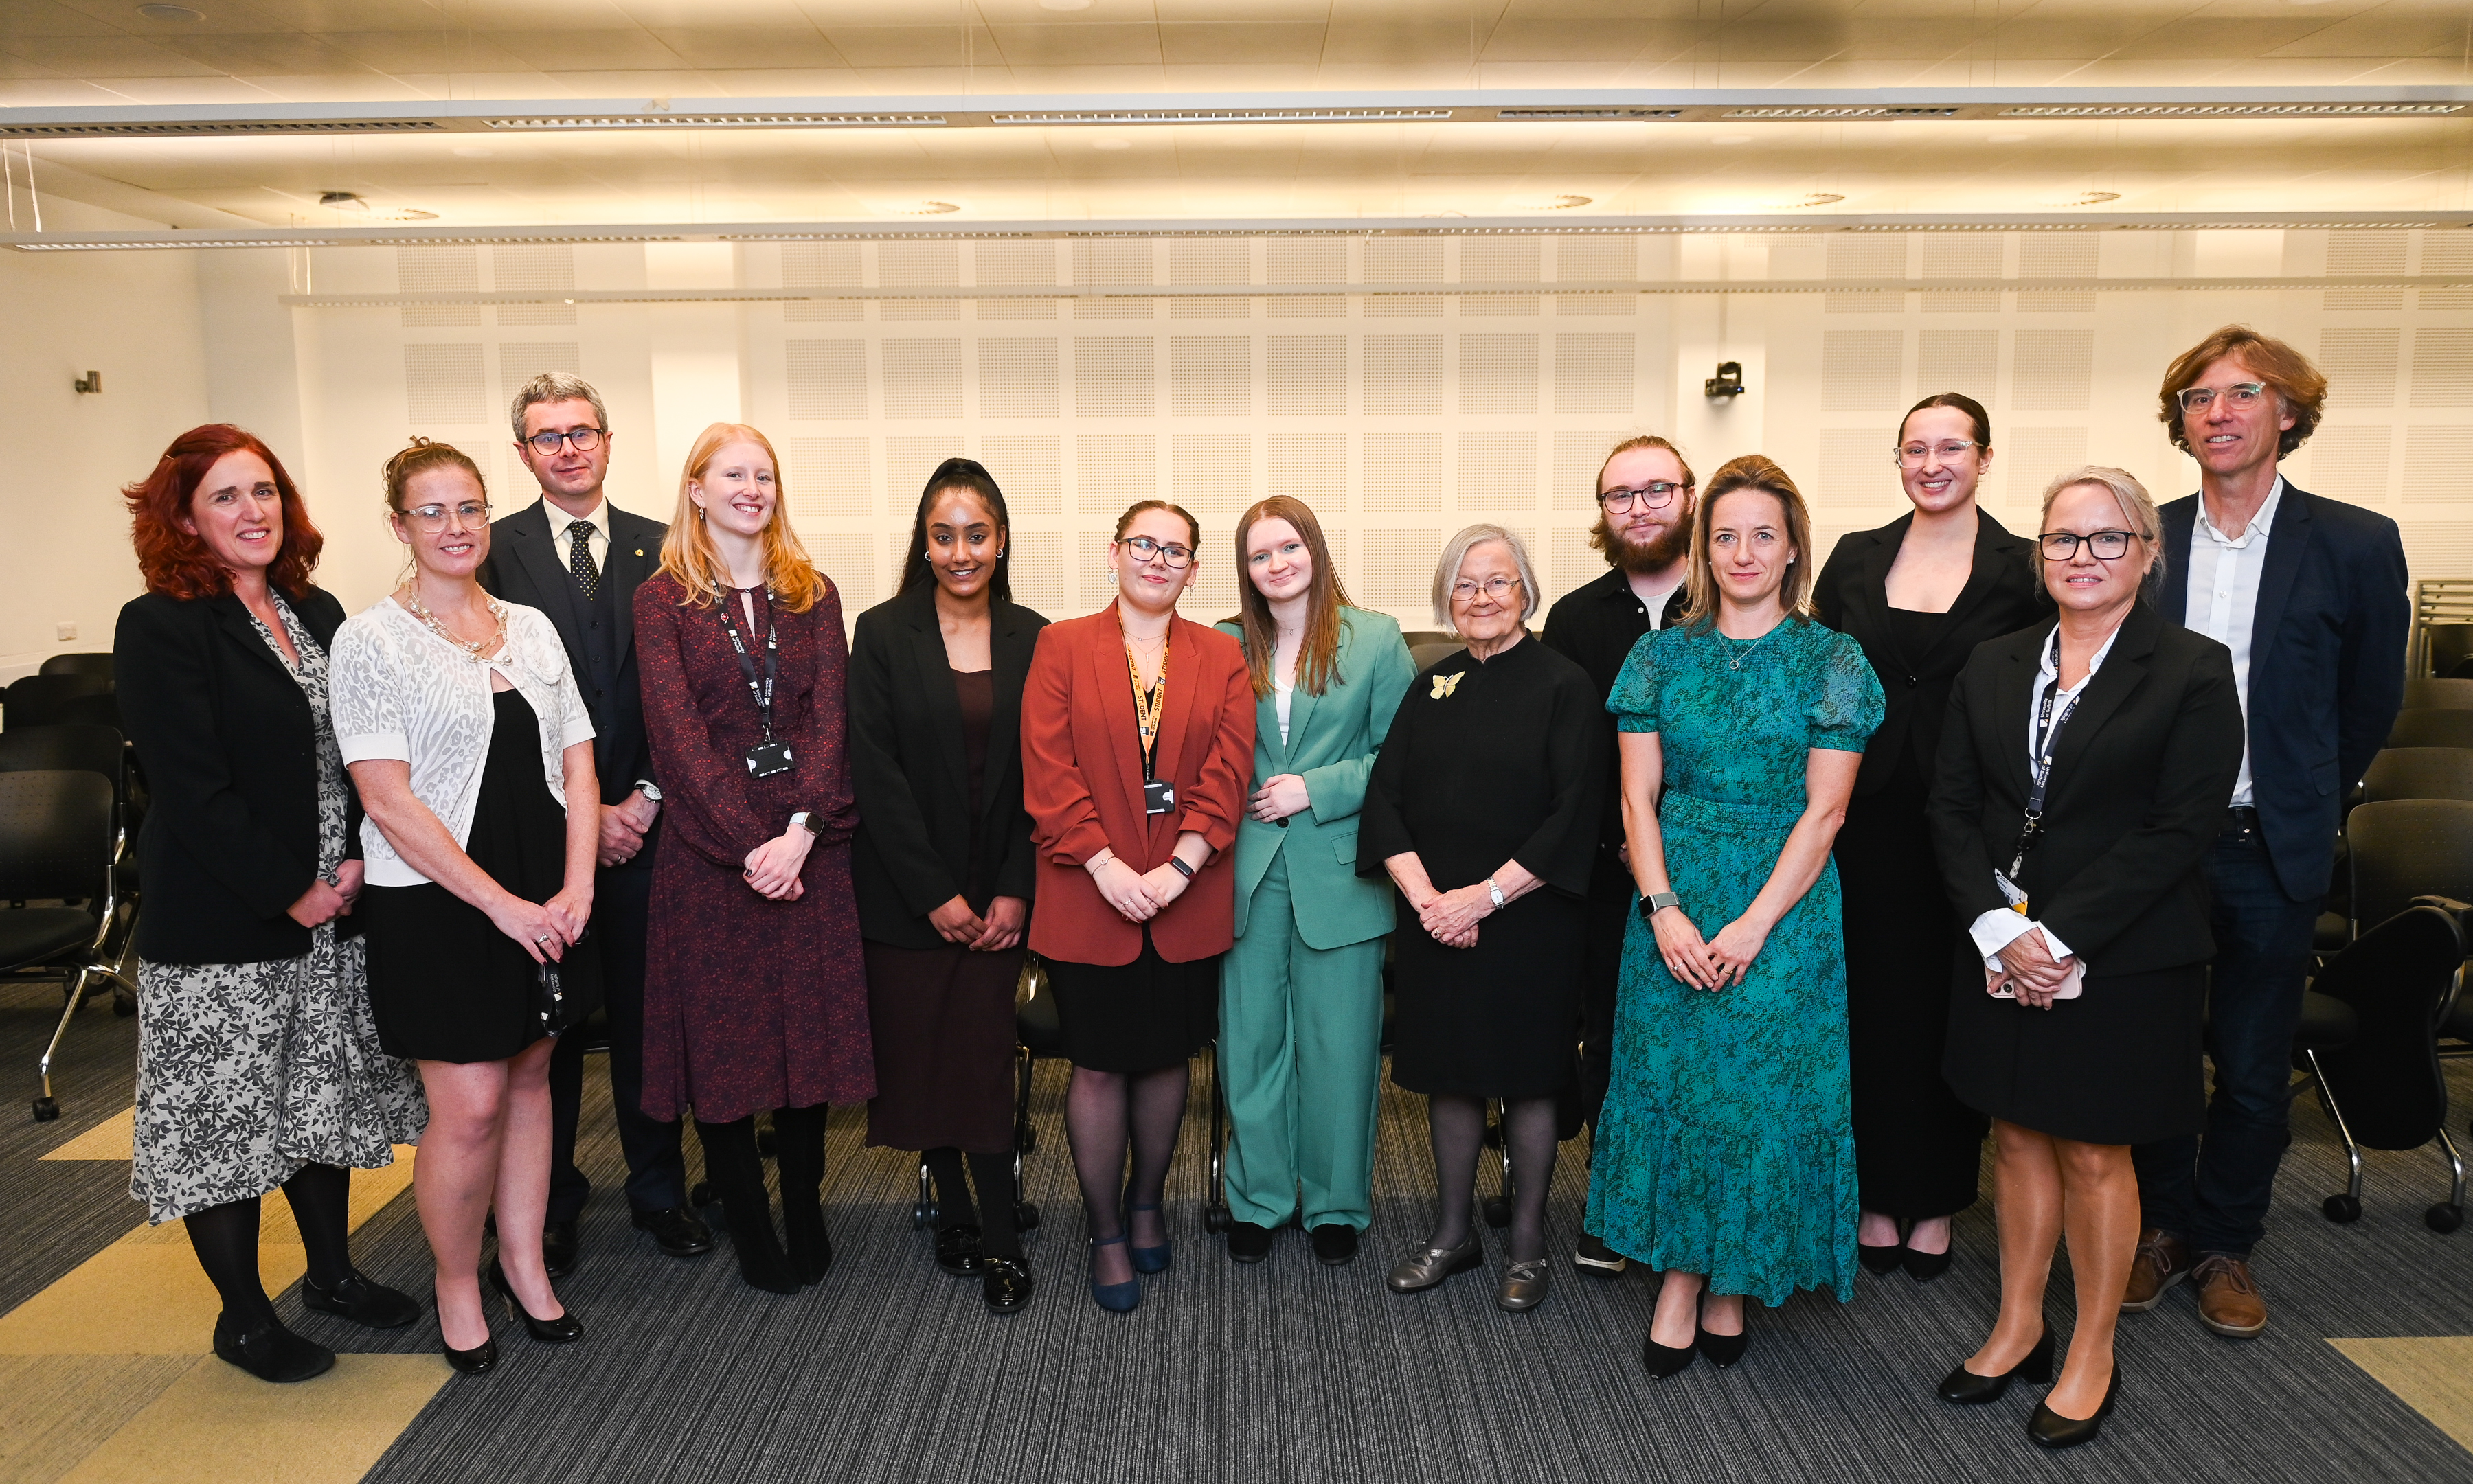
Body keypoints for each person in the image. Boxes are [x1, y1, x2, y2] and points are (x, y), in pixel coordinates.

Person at [1928, 466, 2244, 1450]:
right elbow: (1948, 805)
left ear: (2146, 554)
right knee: (2017, 1138)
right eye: (2065, 539)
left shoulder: (2192, 668)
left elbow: (2179, 827)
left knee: (2095, 1150)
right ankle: (2021, 1323)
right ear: (2041, 554)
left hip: (2124, 954)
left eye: (2109, 539)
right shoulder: (1994, 661)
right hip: (1997, 943)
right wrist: (1996, 928)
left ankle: (2093, 1349)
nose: (2084, 557)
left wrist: (2056, 940)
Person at [115, 425, 427, 1384]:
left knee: (315, 1106)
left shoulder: (315, 608)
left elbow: (357, 749)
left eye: (265, 492)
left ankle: (330, 1275)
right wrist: (292, 889)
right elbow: (193, 791)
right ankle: (243, 1318)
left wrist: (350, 864)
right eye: (226, 497)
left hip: (332, 911)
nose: (254, 512)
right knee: (226, 1127)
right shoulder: (160, 623)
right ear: (184, 517)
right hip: (225, 928)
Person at [2127, 326, 2410, 1338]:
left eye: (2244, 393)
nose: (2220, 412)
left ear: (2287, 413)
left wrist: (2311, 802)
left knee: (2251, 1065)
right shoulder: (2144, 537)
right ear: (2182, 422)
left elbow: (2373, 696)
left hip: (2272, 847)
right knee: (2157, 1054)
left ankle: (2225, 1245)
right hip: (2157, 850)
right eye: (2199, 397)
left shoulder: (2356, 541)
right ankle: (2158, 1229)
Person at [1588, 455, 1882, 1377]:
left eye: (1764, 533)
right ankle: (1680, 1273)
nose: (1744, 551)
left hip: (1784, 908)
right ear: (1704, 549)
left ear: (1794, 546)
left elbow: (1825, 812)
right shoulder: (1658, 656)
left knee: (1755, 1102)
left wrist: (1754, 926)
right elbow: (1638, 800)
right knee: (1676, 1087)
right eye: (1726, 535)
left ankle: (1733, 1279)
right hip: (1673, 893)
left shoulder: (1833, 660)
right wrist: (1664, 909)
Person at [333, 439, 602, 1374]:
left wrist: (576, 888)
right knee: (473, 1103)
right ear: (400, 525)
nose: (456, 528)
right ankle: (458, 1281)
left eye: (471, 508)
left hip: (544, 893)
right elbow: (388, 800)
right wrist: (504, 907)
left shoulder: (529, 626)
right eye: (433, 512)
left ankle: (525, 1264)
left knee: (532, 1080)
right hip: (442, 902)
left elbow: (577, 761)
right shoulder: (370, 639)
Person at [474, 372, 710, 1277]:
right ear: (524, 454)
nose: (567, 448)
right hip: (543, 837)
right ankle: (552, 1202)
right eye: (547, 436)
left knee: (654, 1023)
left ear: (608, 442)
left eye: (582, 431)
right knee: (554, 1029)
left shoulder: (668, 548)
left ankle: (658, 1192)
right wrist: (583, 813)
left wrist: (643, 797)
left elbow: (684, 696)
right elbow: (490, 709)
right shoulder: (492, 553)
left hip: (655, 833)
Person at [634, 423, 874, 1295]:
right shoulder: (662, 601)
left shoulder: (816, 595)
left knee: (804, 1043)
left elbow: (831, 723)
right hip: (709, 859)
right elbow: (677, 737)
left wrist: (801, 831)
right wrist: (751, 846)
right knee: (727, 1053)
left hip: (812, 852)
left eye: (764, 475)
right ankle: (747, 1215)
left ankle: (805, 1203)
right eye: (733, 473)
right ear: (696, 489)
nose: (752, 488)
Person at [1814, 393, 2046, 1282]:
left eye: (1952, 446)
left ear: (1985, 458)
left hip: (1972, 818)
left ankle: (1941, 1196)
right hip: (1860, 819)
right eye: (1916, 447)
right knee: (1870, 1007)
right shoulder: (1855, 555)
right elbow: (1824, 671)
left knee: (1956, 1007)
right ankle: (1876, 1193)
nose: (1933, 461)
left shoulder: (2023, 565)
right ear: (1899, 460)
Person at [1360, 525, 1604, 1314]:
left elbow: (1575, 814)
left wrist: (1483, 899)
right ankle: (1452, 1233)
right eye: (1464, 586)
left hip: (1529, 921)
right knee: (1450, 1078)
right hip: (1436, 921)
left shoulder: (1567, 686)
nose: (1480, 599)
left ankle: (1528, 1243)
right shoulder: (1432, 684)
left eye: (1497, 583)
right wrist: (1431, 902)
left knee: (1530, 1081)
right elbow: (1384, 798)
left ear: (1526, 591)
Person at [1020, 500, 1253, 1313]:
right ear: (1114, 552)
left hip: (1186, 893)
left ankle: (1149, 1200)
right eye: (1144, 544)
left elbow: (1229, 771)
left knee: (1166, 1058)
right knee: (1098, 1062)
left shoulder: (1222, 656)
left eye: (1177, 550)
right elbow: (1049, 773)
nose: (1159, 559)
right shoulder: (1061, 645)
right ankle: (1105, 1227)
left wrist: (1183, 867)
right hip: (1090, 892)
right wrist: (1108, 865)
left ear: (1194, 569)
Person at [850, 457, 1048, 1314]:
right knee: (921, 1055)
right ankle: (956, 1208)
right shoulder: (884, 631)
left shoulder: (1036, 636)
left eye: (976, 534)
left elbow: (1046, 774)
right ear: (923, 542)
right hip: (909, 896)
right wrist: (935, 893)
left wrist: (1012, 889)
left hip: (1000, 898)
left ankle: (998, 1236)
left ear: (1002, 541)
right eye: (943, 535)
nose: (960, 550)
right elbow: (875, 773)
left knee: (978, 1063)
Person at [1214, 496, 1416, 1268]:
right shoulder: (1225, 643)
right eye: (1260, 555)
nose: (1277, 565)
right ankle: (1259, 1198)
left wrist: (1316, 788)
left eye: (1289, 547)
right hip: (1249, 869)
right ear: (1246, 569)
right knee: (1252, 1043)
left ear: (1315, 549)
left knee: (1340, 1049)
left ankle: (1336, 1202)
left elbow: (1401, 758)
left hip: (1340, 871)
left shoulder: (1376, 639)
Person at [1541, 435, 1697, 1279]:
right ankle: (1614, 1203)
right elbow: (1570, 761)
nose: (1639, 508)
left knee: (1700, 1039)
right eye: (1620, 496)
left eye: (1655, 490)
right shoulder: (1574, 617)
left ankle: (1690, 1204)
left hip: (1719, 866)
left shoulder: (1731, 601)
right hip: (1608, 869)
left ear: (1689, 496)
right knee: (1611, 1035)